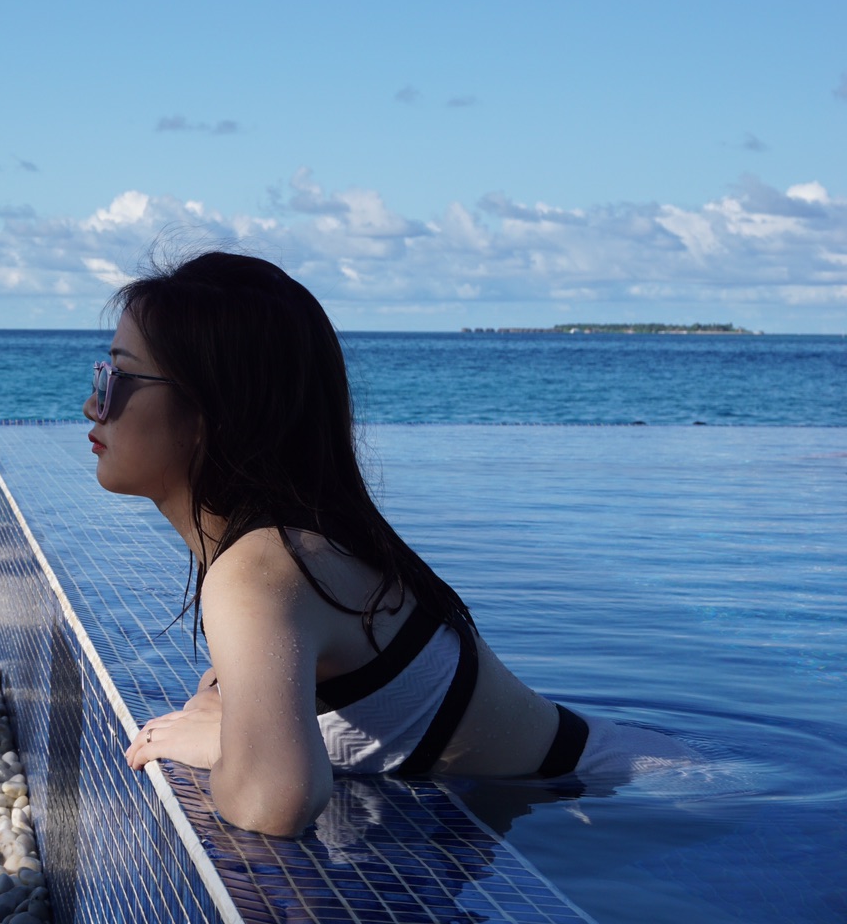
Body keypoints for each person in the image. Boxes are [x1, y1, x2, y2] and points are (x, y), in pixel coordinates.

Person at [94, 250, 692, 837]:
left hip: (652, 797)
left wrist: (222, 746)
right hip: (607, 785)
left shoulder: (258, 569)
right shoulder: (289, 548)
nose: (94, 403)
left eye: (119, 378)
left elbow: (274, 800)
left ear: (212, 408)